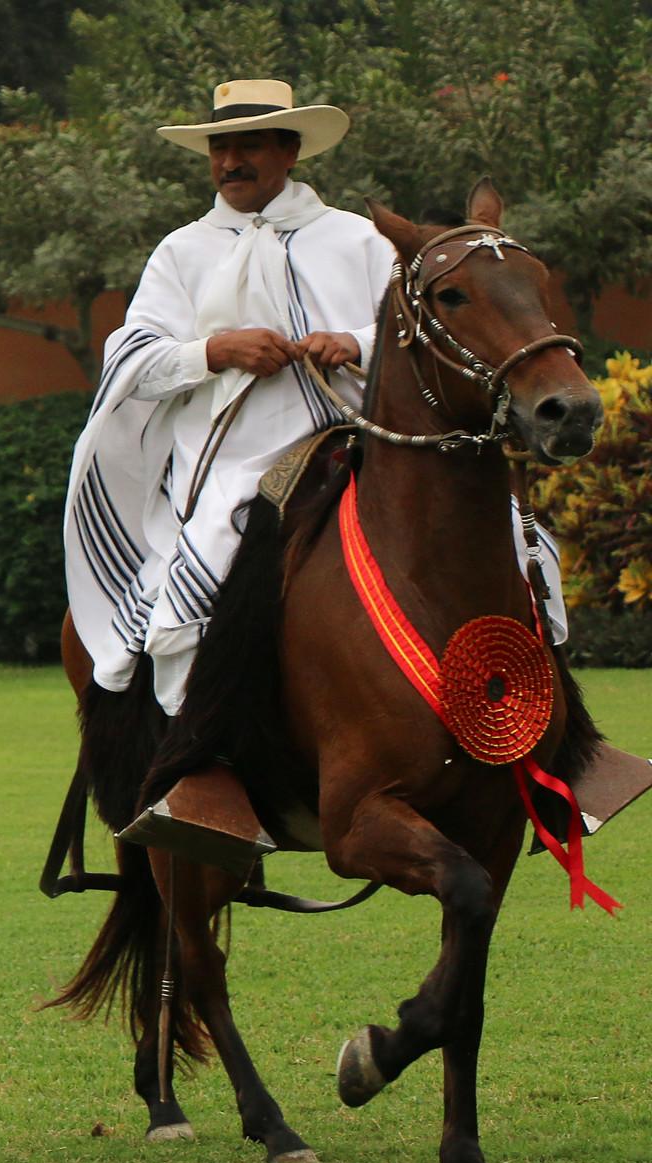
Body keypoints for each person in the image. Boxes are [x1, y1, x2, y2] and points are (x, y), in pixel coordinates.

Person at [61, 78, 567, 716]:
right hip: (233, 458)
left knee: (519, 543)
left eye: (247, 146)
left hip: (361, 438)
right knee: (209, 564)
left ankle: (553, 732)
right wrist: (216, 351)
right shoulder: (181, 252)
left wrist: (354, 341)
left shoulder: (358, 239)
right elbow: (130, 358)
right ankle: (198, 754)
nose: (228, 162)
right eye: (219, 147)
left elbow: (422, 330)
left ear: (289, 151)